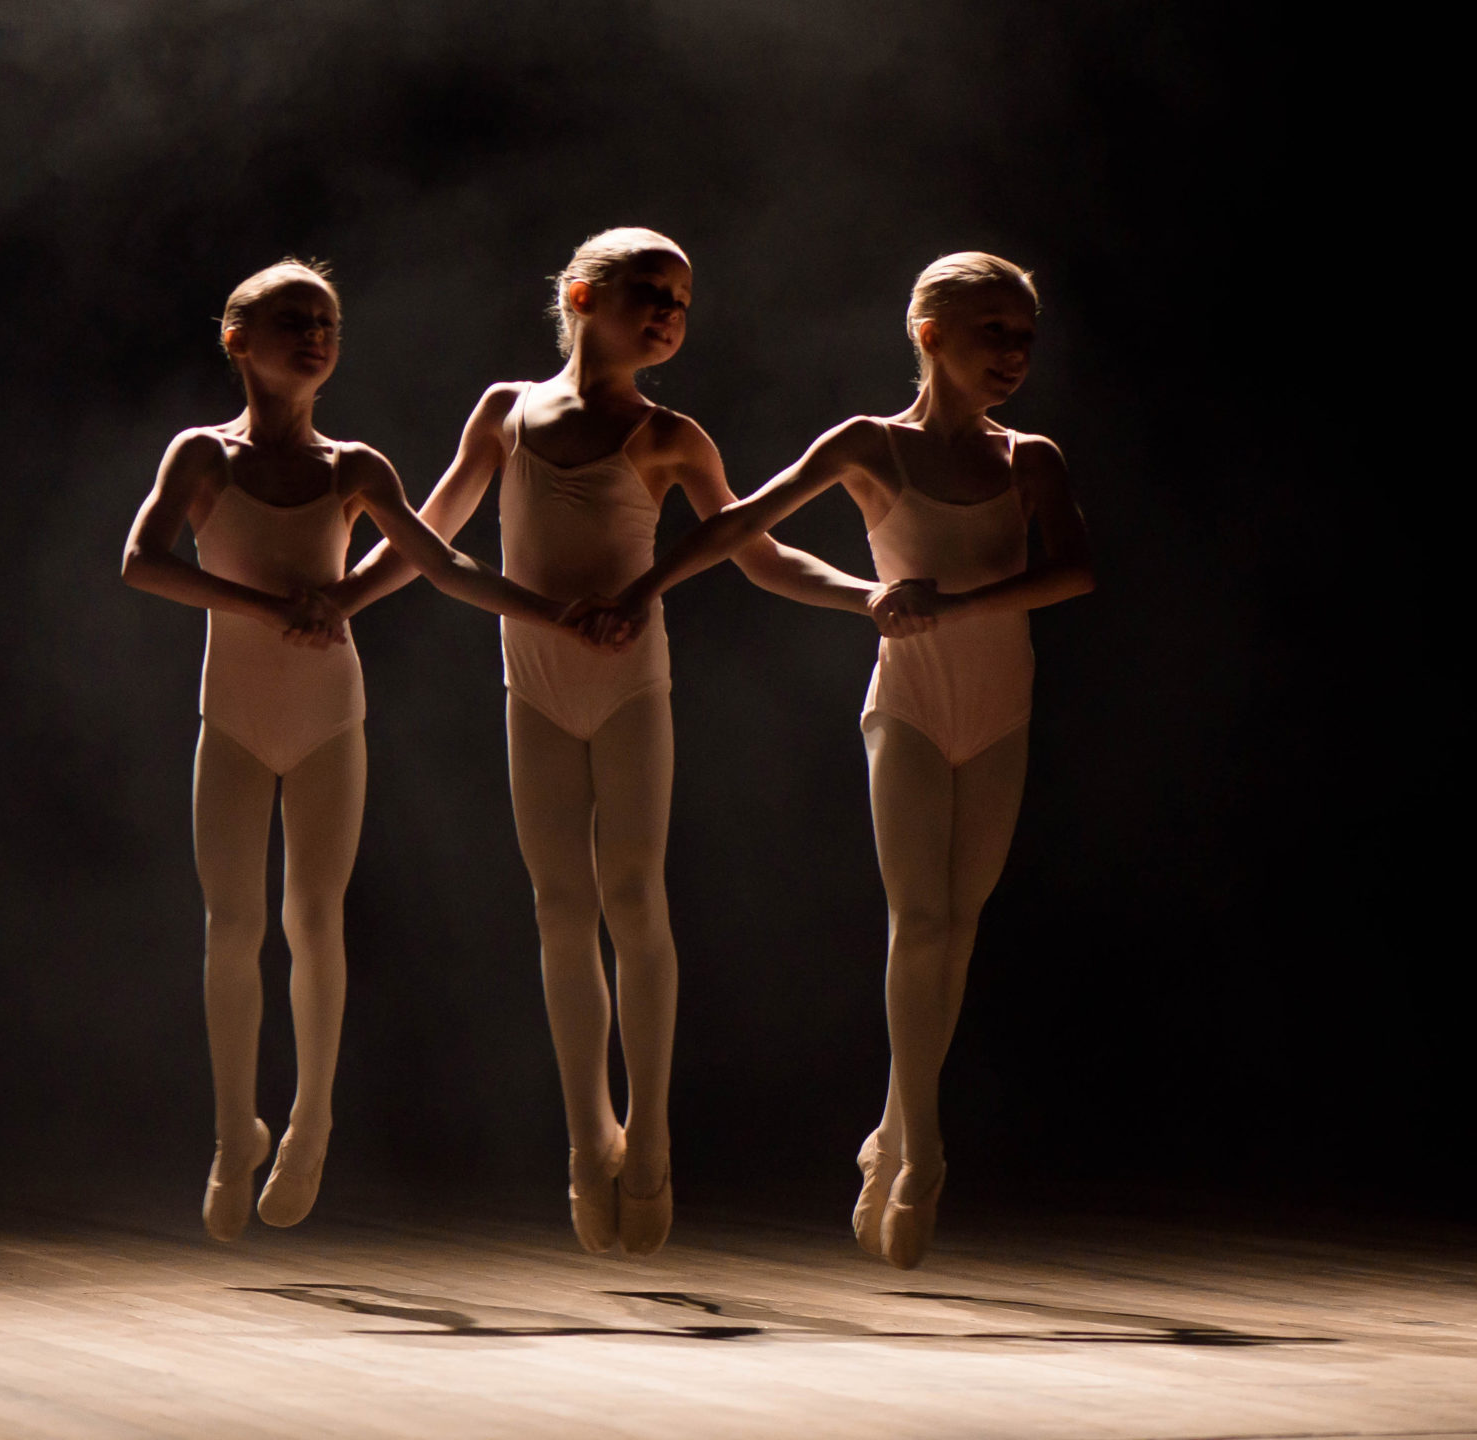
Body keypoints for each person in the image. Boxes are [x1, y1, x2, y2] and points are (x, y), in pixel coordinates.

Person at [334, 228, 878, 1255]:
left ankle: (655, 1131)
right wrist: (348, 597)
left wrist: (866, 596)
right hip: (534, 680)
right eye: (648, 292)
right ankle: (589, 1135)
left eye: (680, 298)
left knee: (632, 894)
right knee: (558, 905)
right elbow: (429, 529)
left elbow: (753, 553)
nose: (669, 312)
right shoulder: (506, 412)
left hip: (629, 681)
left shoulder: (672, 436)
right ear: (583, 295)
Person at [592, 252, 1094, 1268]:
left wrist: (952, 605)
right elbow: (744, 525)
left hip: (999, 704)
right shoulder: (868, 443)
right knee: (920, 921)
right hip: (908, 704)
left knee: (958, 927)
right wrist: (648, 585)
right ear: (928, 332)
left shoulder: (1027, 457)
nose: (1010, 353)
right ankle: (923, 1151)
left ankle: (893, 1132)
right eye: (991, 330)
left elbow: (1073, 573)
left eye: (1022, 336)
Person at [121, 260, 571, 1241]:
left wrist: (547, 612)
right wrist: (268, 605)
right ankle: (228, 1131)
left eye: (326, 320)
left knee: (313, 918)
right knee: (232, 926)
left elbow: (440, 561)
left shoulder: (355, 467)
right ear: (237, 340)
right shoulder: (201, 455)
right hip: (233, 709)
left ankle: (312, 1122)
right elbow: (141, 563)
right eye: (292, 319)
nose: (316, 334)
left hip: (328, 710)